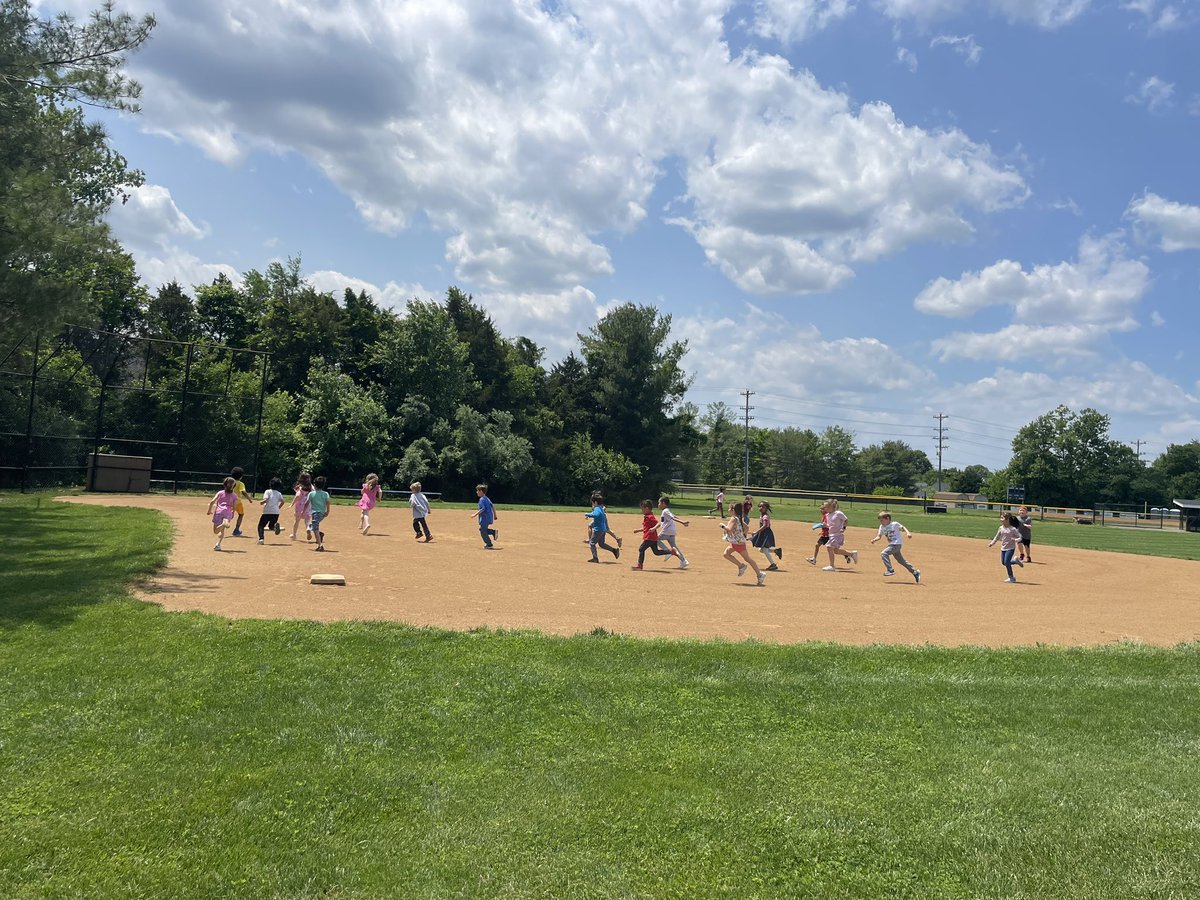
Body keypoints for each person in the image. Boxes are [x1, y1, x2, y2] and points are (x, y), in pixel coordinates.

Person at [721, 502, 767, 585]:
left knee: (748, 559)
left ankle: (760, 574)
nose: (728, 510)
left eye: (729, 508)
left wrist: (722, 526)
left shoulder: (734, 519)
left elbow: (729, 529)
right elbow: (746, 527)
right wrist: (744, 535)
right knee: (726, 554)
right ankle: (741, 566)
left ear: (732, 510)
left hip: (737, 544)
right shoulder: (738, 518)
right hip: (736, 542)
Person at [870, 511, 921, 583]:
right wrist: (874, 540)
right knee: (901, 561)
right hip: (892, 545)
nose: (880, 522)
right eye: (880, 520)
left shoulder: (894, 524)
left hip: (896, 544)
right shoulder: (882, 527)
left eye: (882, 520)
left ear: (887, 518)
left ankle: (890, 570)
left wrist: (908, 533)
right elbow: (879, 536)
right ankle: (915, 572)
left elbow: (903, 528)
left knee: (884, 553)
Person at [631, 499, 676, 570]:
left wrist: (654, 528)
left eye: (642, 509)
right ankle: (670, 551)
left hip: (650, 537)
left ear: (647, 508)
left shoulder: (650, 517)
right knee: (656, 552)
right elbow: (647, 528)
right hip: (653, 538)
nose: (642, 511)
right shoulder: (647, 516)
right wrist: (638, 530)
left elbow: (658, 523)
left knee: (641, 549)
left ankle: (640, 565)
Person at [821, 498, 858, 572]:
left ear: (833, 506)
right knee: (836, 551)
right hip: (831, 534)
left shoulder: (838, 513)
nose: (825, 508)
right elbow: (831, 525)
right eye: (825, 507)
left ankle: (831, 566)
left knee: (829, 547)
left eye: (827, 507)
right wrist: (825, 526)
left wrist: (844, 528)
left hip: (837, 534)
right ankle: (852, 554)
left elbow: (846, 520)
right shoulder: (828, 515)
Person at [989, 512, 1025, 583]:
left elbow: (1020, 537)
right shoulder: (1001, 528)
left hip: (1010, 548)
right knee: (1004, 562)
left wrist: (1016, 540)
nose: (1000, 519)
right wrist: (992, 543)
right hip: (1003, 548)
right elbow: (997, 537)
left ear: (1007, 519)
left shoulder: (1013, 529)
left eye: (1002, 518)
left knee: (1006, 562)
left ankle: (1011, 578)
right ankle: (1015, 561)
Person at [584, 492, 620, 562]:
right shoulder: (601, 508)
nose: (593, 504)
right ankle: (614, 550)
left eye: (593, 502)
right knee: (601, 544)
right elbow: (597, 514)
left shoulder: (597, 508)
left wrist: (587, 514)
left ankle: (595, 558)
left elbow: (596, 515)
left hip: (598, 530)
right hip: (603, 529)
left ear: (595, 502)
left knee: (592, 543)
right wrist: (590, 514)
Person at [657, 496, 689, 570]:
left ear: (663, 503)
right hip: (672, 531)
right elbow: (674, 516)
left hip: (667, 531)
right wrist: (682, 522)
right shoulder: (666, 510)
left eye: (659, 502)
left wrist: (682, 522)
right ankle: (684, 561)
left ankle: (667, 551)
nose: (658, 504)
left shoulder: (665, 511)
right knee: (674, 547)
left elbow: (672, 517)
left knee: (655, 539)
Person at [207, 477, 238, 551]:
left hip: (219, 512)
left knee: (216, 531)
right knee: (222, 530)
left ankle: (218, 544)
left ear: (224, 484)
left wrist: (209, 511)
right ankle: (218, 544)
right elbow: (234, 507)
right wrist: (233, 513)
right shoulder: (234, 495)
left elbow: (212, 502)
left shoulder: (220, 493)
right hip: (228, 512)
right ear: (234, 486)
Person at [750, 500, 781, 571]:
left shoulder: (765, 516)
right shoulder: (762, 515)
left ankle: (773, 565)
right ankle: (776, 551)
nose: (761, 508)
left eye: (763, 507)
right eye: (760, 506)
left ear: (766, 508)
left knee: (764, 549)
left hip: (766, 533)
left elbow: (765, 525)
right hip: (763, 533)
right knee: (761, 550)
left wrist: (756, 532)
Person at [256, 477, 285, 544]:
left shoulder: (267, 491)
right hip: (276, 512)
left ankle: (261, 539)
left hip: (267, 511)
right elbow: (283, 502)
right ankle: (274, 527)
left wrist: (262, 502)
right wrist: (278, 507)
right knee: (270, 526)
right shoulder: (279, 493)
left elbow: (266, 499)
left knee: (261, 525)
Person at [229, 466, 253, 536]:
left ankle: (222, 524)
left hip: (229, 501)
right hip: (237, 502)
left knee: (228, 514)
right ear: (241, 476)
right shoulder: (240, 483)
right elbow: (243, 492)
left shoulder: (230, 482)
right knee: (241, 514)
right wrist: (249, 499)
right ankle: (236, 530)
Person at [308, 475, 331, 551]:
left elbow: (307, 503)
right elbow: (328, 502)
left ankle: (320, 545)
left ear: (314, 485)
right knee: (314, 526)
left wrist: (303, 511)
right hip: (322, 514)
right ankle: (320, 534)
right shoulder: (326, 494)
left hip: (315, 514)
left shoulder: (311, 494)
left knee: (315, 529)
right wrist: (327, 511)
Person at [471, 483, 498, 549]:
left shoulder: (482, 499)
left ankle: (489, 544)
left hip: (484, 518)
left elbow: (483, 509)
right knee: (482, 529)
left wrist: (475, 514)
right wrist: (495, 515)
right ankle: (493, 532)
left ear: (481, 491)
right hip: (489, 517)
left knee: (483, 532)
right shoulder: (487, 498)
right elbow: (493, 506)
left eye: (478, 491)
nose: (477, 492)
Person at [289, 472, 313, 541]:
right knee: (307, 520)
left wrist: (292, 504)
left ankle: (294, 535)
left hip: (299, 507)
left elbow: (297, 496)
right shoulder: (311, 487)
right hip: (307, 506)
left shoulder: (299, 487)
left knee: (297, 521)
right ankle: (308, 528)